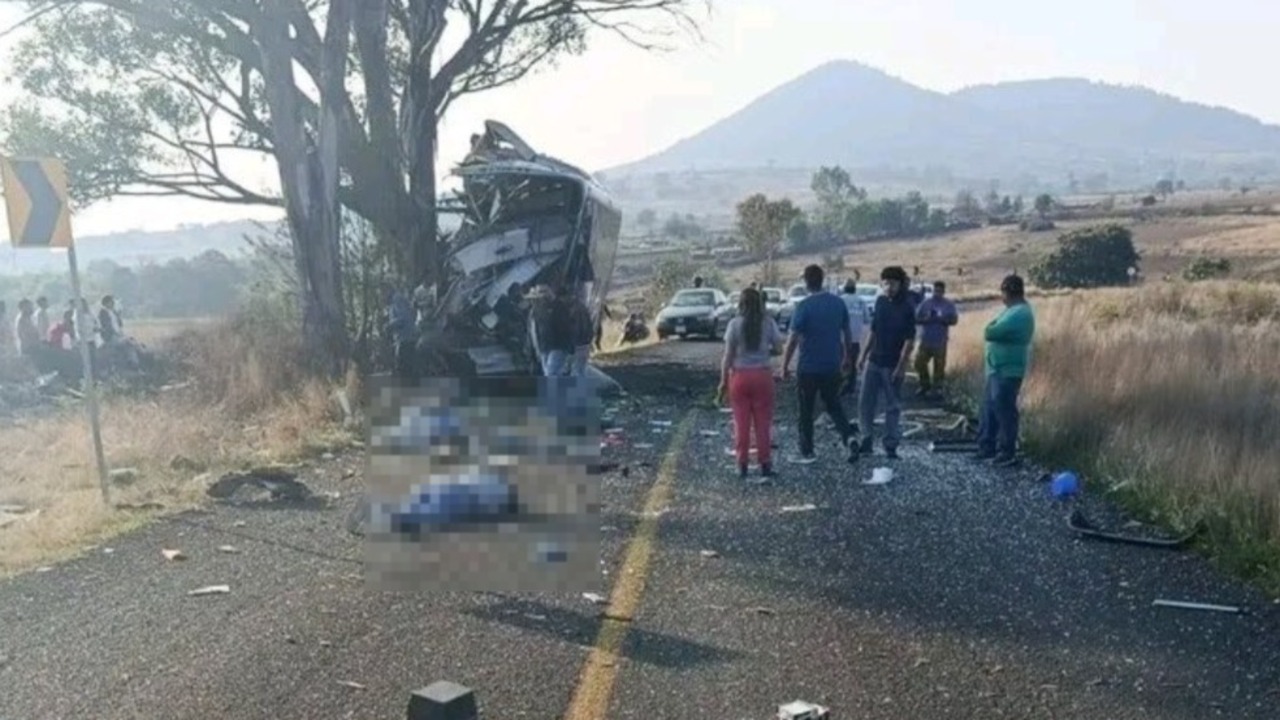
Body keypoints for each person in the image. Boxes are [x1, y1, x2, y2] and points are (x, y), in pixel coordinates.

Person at [781, 264, 859, 465]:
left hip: (808, 367)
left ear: (806, 282)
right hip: (832, 365)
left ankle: (807, 450)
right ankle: (848, 437)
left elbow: (793, 339)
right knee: (834, 405)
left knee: (805, 410)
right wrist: (847, 357)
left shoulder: (804, 306)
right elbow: (847, 332)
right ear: (822, 280)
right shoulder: (838, 304)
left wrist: (784, 365)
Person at [718, 287, 784, 480]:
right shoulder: (768, 322)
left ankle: (742, 464)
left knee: (741, 423)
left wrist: (723, 381)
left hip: (739, 377)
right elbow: (779, 349)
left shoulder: (734, 324)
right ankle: (765, 463)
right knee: (763, 423)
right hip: (762, 376)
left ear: (741, 303)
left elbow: (727, 356)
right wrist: (764, 353)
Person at [976, 274, 1036, 468]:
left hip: (1008, 370)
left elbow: (990, 332)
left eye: (1002, 293)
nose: (1001, 297)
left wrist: (992, 326)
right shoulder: (1010, 311)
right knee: (989, 409)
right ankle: (987, 447)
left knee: (1004, 410)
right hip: (996, 368)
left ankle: (1006, 450)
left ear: (1008, 292)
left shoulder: (1020, 313)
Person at [857, 266, 917, 460]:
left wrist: (901, 367)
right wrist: (863, 355)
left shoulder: (907, 307)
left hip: (892, 363)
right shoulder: (881, 302)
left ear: (900, 284)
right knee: (866, 402)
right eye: (886, 283)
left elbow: (909, 341)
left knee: (892, 405)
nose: (889, 287)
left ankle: (890, 445)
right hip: (874, 360)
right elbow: (873, 331)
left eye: (893, 283)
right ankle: (866, 438)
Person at [913, 281, 958, 397]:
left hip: (940, 340)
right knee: (919, 363)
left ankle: (937, 389)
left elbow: (954, 321)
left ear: (943, 292)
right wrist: (927, 318)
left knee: (939, 366)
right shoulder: (925, 303)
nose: (937, 293)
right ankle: (924, 385)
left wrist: (942, 318)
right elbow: (916, 319)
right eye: (935, 291)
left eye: (939, 291)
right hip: (926, 339)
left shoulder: (948, 305)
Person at [530, 284, 573, 376]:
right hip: (544, 347)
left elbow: (567, 328)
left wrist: (569, 347)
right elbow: (535, 331)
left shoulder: (560, 307)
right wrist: (536, 349)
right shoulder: (536, 310)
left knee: (551, 374)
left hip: (558, 346)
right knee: (549, 373)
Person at [838, 279, 868, 400]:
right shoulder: (861, 301)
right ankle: (851, 386)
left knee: (841, 362)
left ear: (844, 289)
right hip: (855, 338)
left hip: (841, 338)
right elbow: (867, 319)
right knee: (853, 362)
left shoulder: (840, 300)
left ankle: (840, 385)